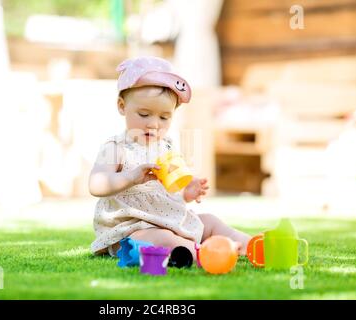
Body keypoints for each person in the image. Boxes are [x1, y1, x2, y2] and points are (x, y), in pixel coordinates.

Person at [89, 56, 250, 260]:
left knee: (209, 222)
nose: (154, 124)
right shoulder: (115, 147)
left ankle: (250, 245)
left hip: (168, 220)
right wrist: (131, 177)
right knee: (162, 238)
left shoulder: (166, 147)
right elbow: (96, 184)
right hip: (131, 229)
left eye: (164, 117)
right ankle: (204, 254)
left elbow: (166, 194)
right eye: (144, 114)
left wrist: (186, 192)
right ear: (122, 106)